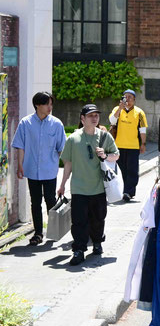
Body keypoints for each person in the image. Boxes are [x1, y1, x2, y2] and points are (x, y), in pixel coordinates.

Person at [58, 104, 119, 265]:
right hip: (78, 188)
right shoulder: (73, 139)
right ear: (82, 119)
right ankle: (79, 250)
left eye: (96, 115)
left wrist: (105, 155)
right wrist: (63, 184)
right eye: (90, 115)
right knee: (79, 221)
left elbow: (116, 155)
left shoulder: (105, 137)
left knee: (98, 219)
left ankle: (97, 242)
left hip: (99, 188)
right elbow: (68, 164)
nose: (94, 118)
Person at [11, 92, 66, 246]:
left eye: (51, 104)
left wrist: (68, 168)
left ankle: (54, 231)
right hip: (32, 170)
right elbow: (20, 146)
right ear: (37, 105)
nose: (50, 107)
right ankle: (38, 233)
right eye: (47, 104)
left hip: (49, 170)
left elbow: (62, 148)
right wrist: (20, 165)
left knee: (51, 201)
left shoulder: (56, 124)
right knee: (35, 202)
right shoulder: (25, 123)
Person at [109, 89, 148, 202]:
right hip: (118, 146)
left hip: (133, 146)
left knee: (132, 170)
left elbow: (143, 130)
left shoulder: (139, 112)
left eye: (130, 97)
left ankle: (129, 192)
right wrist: (120, 109)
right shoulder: (117, 109)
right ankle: (122, 190)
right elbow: (112, 121)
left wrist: (143, 143)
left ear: (134, 99)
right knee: (121, 170)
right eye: (125, 96)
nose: (128, 99)